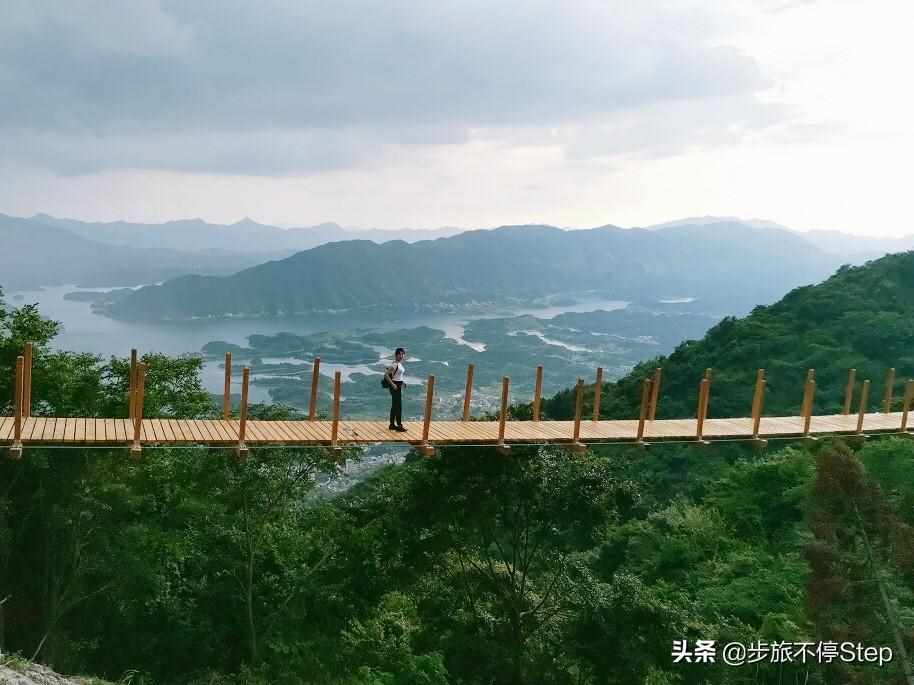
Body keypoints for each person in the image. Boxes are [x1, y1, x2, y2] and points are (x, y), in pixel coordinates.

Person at [385, 348, 408, 431]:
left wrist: (403, 382)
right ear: (396, 355)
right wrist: (393, 384)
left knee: (395, 406)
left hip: (398, 385)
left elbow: (398, 376)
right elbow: (386, 375)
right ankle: (399, 425)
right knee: (398, 406)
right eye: (400, 354)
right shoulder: (395, 364)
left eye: (403, 354)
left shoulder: (399, 364)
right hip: (394, 386)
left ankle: (392, 425)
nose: (401, 356)